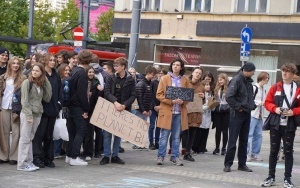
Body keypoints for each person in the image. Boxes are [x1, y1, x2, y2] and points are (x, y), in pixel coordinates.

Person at [261, 63, 300, 188]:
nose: (284, 73)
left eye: (287, 71)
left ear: (293, 74)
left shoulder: (298, 88)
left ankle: (287, 178)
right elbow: (267, 103)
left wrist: (293, 112)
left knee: (288, 152)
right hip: (276, 123)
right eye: (283, 71)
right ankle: (271, 176)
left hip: (289, 125)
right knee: (273, 151)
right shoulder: (275, 86)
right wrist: (275, 109)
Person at [100, 57, 135, 165]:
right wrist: (115, 102)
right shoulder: (111, 78)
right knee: (107, 133)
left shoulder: (130, 79)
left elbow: (133, 95)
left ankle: (115, 155)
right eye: (114, 66)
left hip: (123, 109)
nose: (115, 68)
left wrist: (124, 105)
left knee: (118, 133)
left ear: (123, 67)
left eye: (117, 66)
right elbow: (106, 92)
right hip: (111, 107)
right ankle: (106, 155)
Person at [17, 63, 52, 171]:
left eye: (37, 71)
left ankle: (29, 162)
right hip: (28, 114)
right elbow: (24, 101)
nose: (34, 72)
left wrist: (46, 82)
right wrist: (29, 116)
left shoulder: (40, 84)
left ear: (42, 72)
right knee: (25, 138)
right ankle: (22, 164)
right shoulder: (27, 82)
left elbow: (47, 98)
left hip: (38, 114)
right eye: (33, 70)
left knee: (30, 138)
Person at [156, 59, 190, 166]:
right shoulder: (164, 78)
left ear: (181, 67)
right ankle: (161, 156)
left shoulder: (185, 79)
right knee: (164, 135)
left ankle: (175, 156)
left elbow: (189, 95)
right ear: (171, 66)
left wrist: (183, 101)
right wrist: (171, 101)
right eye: (174, 64)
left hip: (179, 112)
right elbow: (159, 94)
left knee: (176, 136)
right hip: (167, 111)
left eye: (178, 65)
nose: (175, 66)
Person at [223, 62, 256, 173]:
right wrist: (238, 108)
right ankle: (228, 164)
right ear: (247, 71)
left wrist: (252, 106)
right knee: (232, 140)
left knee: (244, 140)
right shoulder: (237, 80)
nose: (254, 73)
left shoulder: (248, 82)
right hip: (237, 114)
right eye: (253, 71)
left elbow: (249, 97)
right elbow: (229, 96)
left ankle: (242, 164)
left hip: (246, 113)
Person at [32, 53, 61, 168]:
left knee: (49, 135)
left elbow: (59, 92)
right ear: (45, 61)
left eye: (54, 60)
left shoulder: (56, 75)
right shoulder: (41, 75)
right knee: (39, 135)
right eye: (51, 60)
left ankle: (48, 158)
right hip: (42, 110)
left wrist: (59, 104)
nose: (53, 62)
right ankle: (37, 157)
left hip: (53, 109)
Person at [66, 50, 92, 166]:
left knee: (72, 131)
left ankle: (69, 155)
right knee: (81, 131)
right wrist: (86, 109)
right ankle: (74, 156)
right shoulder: (82, 73)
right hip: (78, 106)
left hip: (70, 105)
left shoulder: (74, 70)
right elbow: (82, 94)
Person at [0, 57, 26, 165]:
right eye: (13, 63)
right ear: (9, 65)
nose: (15, 65)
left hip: (16, 109)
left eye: (17, 63)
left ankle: (14, 156)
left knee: (16, 132)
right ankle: (3, 155)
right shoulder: (3, 77)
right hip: (4, 107)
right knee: (3, 132)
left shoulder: (23, 78)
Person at [182, 67, 204, 162]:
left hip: (196, 112)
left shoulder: (201, 86)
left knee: (193, 133)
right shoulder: (186, 82)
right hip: (186, 111)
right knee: (183, 132)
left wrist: (203, 97)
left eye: (199, 73)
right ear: (192, 73)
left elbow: (202, 102)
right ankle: (177, 150)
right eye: (196, 72)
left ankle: (187, 153)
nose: (197, 74)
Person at [247, 71, 269, 162]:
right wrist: (260, 103)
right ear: (262, 78)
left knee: (259, 135)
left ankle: (255, 153)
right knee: (249, 134)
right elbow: (250, 100)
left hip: (260, 115)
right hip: (253, 114)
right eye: (266, 78)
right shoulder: (254, 87)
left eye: (268, 78)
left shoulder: (263, 89)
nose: (267, 80)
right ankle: (247, 154)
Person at [133, 65, 157, 149]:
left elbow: (150, 97)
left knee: (142, 127)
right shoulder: (141, 83)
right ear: (149, 73)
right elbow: (139, 98)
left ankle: (139, 143)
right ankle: (136, 144)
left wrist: (149, 109)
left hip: (146, 109)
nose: (154, 76)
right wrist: (143, 109)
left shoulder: (149, 83)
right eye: (153, 74)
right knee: (139, 126)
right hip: (141, 109)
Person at [82, 66, 102, 160]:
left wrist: (99, 91)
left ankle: (93, 152)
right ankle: (86, 152)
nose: (91, 74)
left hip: (94, 109)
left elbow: (100, 97)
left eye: (92, 72)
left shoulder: (96, 82)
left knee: (94, 132)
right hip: (85, 109)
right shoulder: (83, 81)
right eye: (89, 72)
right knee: (86, 132)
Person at [212, 73, 230, 155]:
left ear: (225, 80)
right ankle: (217, 147)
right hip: (217, 111)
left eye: (221, 79)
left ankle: (224, 148)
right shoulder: (217, 88)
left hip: (226, 111)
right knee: (218, 130)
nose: (220, 81)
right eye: (219, 80)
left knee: (225, 130)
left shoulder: (229, 88)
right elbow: (215, 99)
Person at [148, 67, 164, 150]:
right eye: (159, 73)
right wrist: (154, 106)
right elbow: (151, 96)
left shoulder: (165, 84)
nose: (161, 75)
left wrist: (161, 106)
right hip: (153, 107)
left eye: (162, 73)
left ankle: (157, 142)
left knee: (159, 126)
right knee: (152, 125)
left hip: (161, 107)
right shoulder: (154, 83)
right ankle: (151, 142)